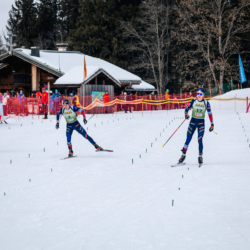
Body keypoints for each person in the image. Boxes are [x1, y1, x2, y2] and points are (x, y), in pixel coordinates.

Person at [178, 88, 214, 165]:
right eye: (197, 94)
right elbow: (187, 109)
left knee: (200, 140)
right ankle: (183, 155)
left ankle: (200, 156)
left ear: (203, 95)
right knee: (188, 139)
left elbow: (210, 114)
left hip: (201, 123)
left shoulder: (206, 103)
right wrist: (186, 114)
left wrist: (212, 124)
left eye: (200, 94)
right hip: (193, 122)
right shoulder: (193, 101)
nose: (199, 95)